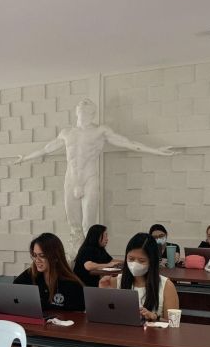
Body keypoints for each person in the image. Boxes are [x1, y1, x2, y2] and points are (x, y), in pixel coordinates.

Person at [14, 98, 175, 251]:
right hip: (71, 180)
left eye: (87, 104)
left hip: (89, 179)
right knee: (74, 226)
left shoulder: (100, 130)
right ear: (77, 111)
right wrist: (25, 158)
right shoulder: (66, 133)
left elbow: (128, 143)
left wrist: (156, 150)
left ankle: (88, 254)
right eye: (81, 104)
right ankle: (76, 257)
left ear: (92, 112)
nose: (83, 103)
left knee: (88, 226)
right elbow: (46, 149)